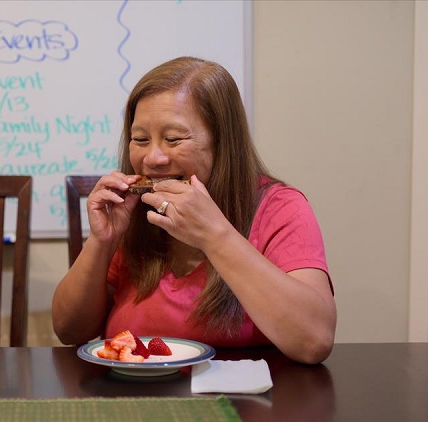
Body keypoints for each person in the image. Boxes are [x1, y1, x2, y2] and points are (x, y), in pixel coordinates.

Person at [52, 56, 336, 364]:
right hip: (137, 399)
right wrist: (102, 241)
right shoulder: (133, 213)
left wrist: (214, 236)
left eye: (173, 139)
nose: (153, 158)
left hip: (248, 404)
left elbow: (314, 341)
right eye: (140, 140)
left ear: (222, 142)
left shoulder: (279, 207)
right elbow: (69, 331)